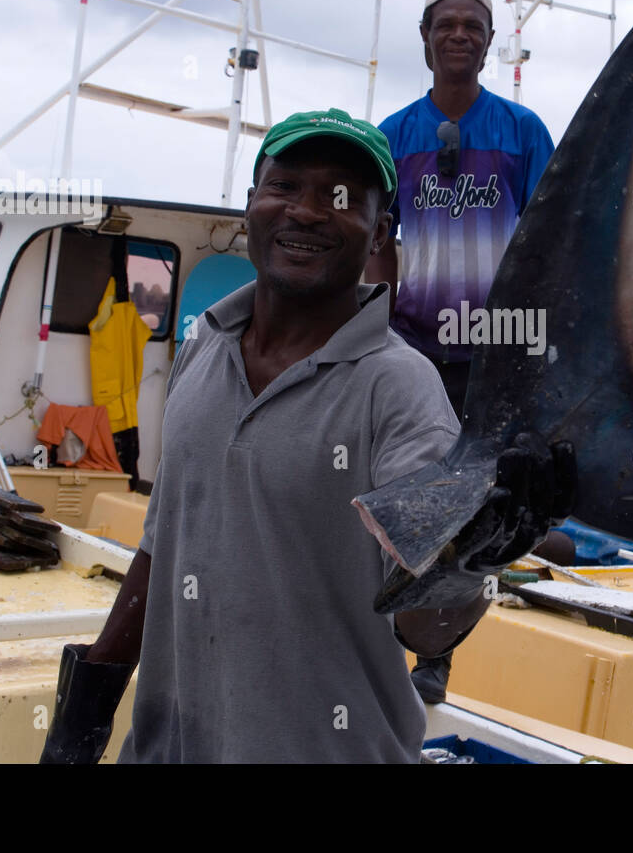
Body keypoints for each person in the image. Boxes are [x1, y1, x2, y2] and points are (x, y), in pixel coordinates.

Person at [38, 108, 571, 763]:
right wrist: (85, 714)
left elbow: (424, 630)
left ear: (379, 233)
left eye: (340, 197)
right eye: (285, 186)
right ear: (250, 208)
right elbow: (162, 541)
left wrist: (486, 544)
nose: (308, 211)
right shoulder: (202, 346)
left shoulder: (400, 391)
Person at [365, 0, 560, 704]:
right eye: (445, 23)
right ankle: (393, 627)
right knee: (412, 492)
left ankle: (439, 651)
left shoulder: (522, 132)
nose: (458, 34)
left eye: (472, 25)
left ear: (488, 42)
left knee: (482, 498)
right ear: (425, 39)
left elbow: (551, 242)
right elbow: (375, 242)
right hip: (411, 344)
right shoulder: (392, 136)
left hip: (497, 350)